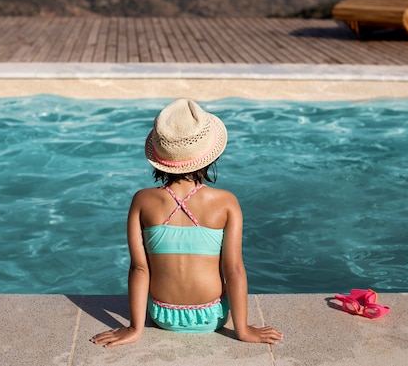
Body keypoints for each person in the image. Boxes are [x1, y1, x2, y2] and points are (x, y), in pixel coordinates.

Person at [91, 98, 283, 348]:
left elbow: (139, 269)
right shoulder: (226, 202)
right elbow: (233, 270)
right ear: (208, 155)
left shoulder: (142, 200)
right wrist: (243, 329)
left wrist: (135, 328)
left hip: (162, 316)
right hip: (212, 316)